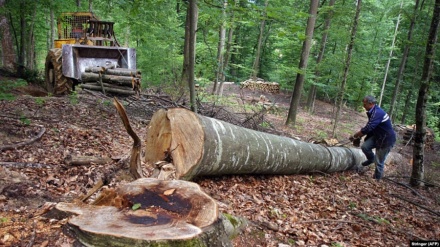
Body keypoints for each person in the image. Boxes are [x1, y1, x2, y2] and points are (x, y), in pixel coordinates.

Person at [352, 95, 396, 180]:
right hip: (378, 136)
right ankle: (371, 159)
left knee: (379, 161)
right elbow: (371, 127)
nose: (363, 106)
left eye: (365, 104)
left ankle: (376, 180)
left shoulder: (377, 113)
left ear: (371, 104)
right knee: (365, 147)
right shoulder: (372, 111)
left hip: (386, 139)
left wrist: (357, 135)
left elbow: (369, 127)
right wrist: (361, 137)